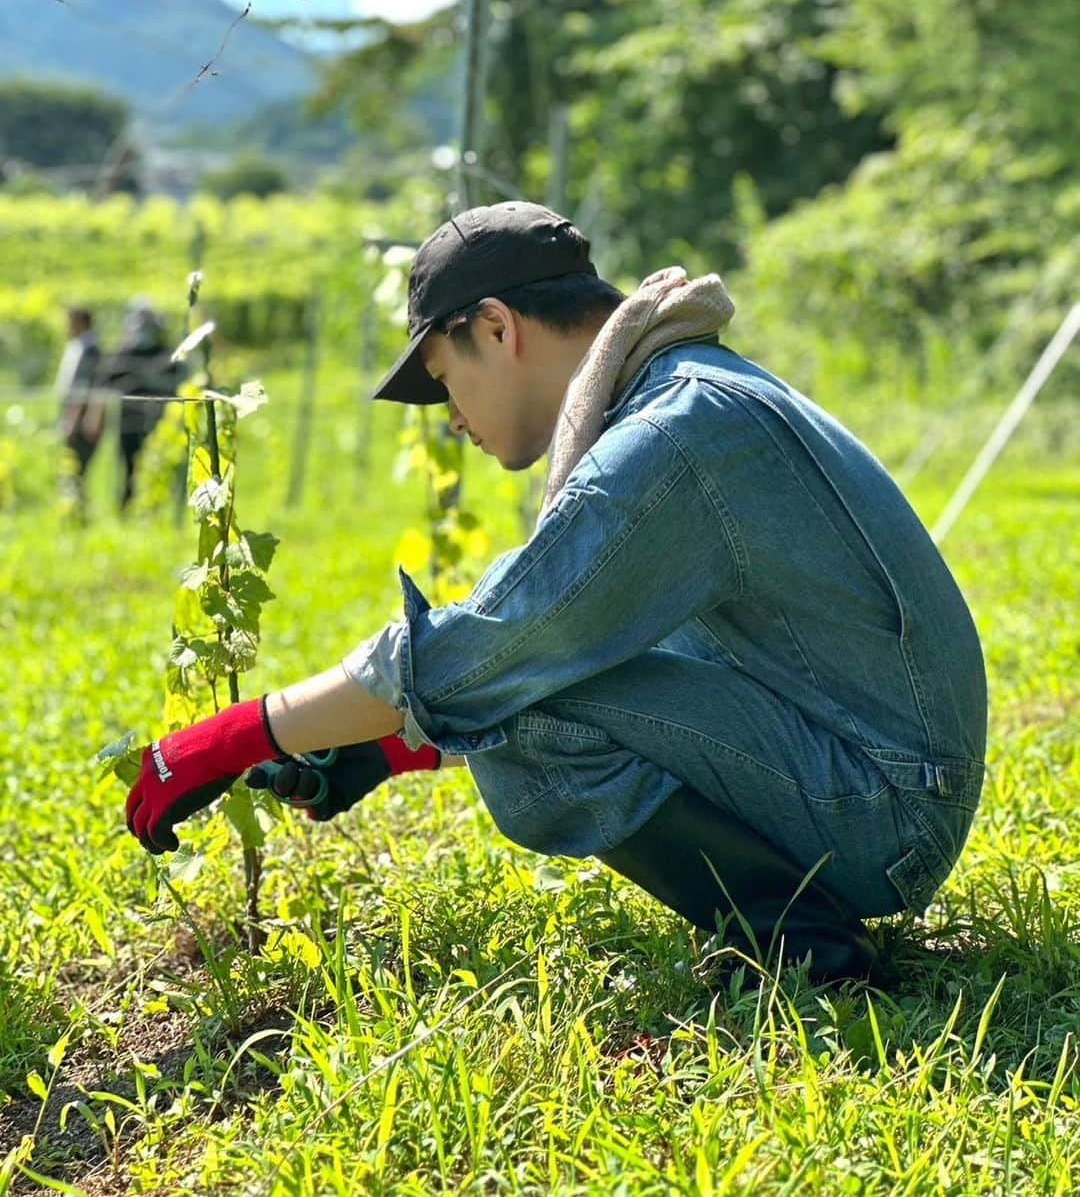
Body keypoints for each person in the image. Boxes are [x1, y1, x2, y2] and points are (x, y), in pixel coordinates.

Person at [123, 202, 987, 982]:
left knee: (522, 719)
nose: (450, 419)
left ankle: (801, 943)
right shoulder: (684, 390)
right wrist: (390, 747)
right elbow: (585, 644)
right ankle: (791, 917)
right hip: (877, 772)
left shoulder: (671, 436)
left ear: (496, 329)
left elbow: (497, 647)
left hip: (886, 814)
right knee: (521, 684)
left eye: (443, 379)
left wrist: (219, 741)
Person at [100, 298, 181, 512]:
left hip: (158, 422)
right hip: (127, 423)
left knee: (157, 467)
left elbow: (177, 383)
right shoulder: (121, 353)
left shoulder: (167, 353)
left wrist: (150, 379)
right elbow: (107, 382)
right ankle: (126, 510)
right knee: (127, 469)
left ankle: (154, 511)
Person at [55, 306, 104, 507]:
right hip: (77, 419)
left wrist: (71, 421)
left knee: (76, 470)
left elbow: (83, 390)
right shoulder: (80, 347)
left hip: (81, 423)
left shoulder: (90, 352)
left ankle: (76, 513)